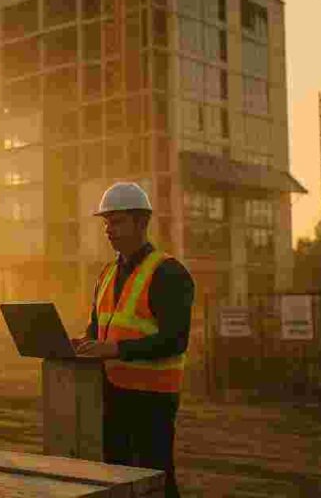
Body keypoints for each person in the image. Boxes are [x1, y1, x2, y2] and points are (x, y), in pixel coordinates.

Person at [71, 182, 195, 498]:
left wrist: (114, 349)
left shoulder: (169, 273)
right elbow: (97, 329)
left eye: (116, 221)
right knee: (119, 477)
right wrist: (82, 343)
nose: (108, 230)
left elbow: (175, 340)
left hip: (153, 398)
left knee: (156, 478)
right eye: (106, 223)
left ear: (141, 222)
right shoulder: (107, 274)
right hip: (113, 393)